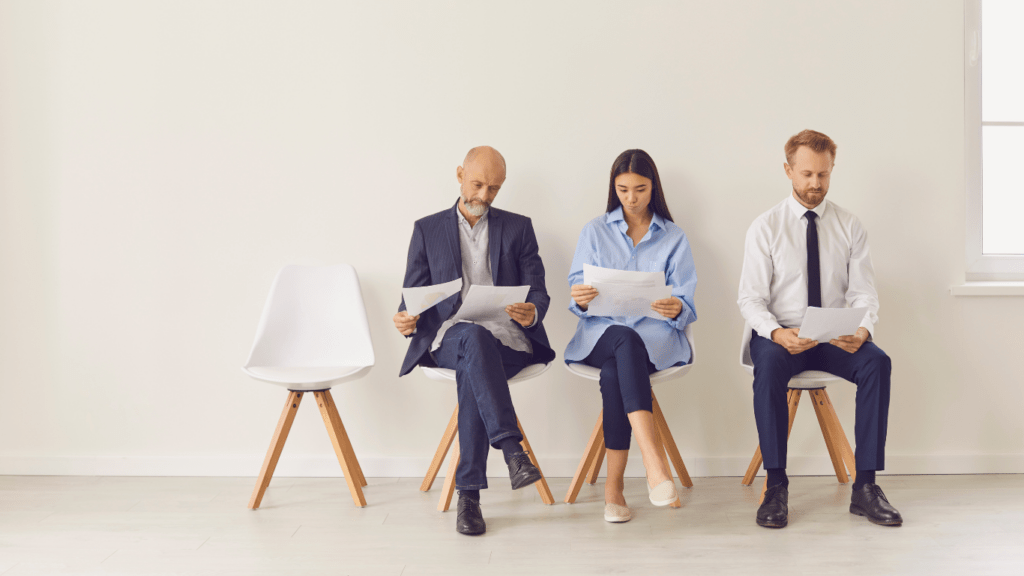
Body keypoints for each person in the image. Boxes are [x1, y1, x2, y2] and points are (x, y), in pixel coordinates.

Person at [737, 129, 902, 528]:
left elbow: (864, 293)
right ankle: (776, 486)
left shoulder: (849, 225)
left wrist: (862, 329)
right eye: (807, 174)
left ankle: (865, 487)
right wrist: (776, 333)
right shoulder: (766, 227)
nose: (815, 184)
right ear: (788, 170)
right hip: (782, 335)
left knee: (877, 363)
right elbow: (750, 299)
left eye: (823, 175)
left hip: (831, 334)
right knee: (771, 368)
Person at [394, 146, 556, 536]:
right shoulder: (427, 229)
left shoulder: (518, 227)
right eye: (478, 184)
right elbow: (411, 298)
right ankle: (512, 451)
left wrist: (532, 311)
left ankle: (469, 495)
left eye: (494, 189)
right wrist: (405, 318)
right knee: (470, 337)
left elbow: (539, 291)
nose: (484, 195)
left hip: (506, 340)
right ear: (459, 175)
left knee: (476, 356)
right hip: (450, 338)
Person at [565, 149, 697, 523]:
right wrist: (582, 298)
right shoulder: (594, 231)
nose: (631, 198)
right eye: (623, 189)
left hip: (654, 341)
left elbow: (686, 302)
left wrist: (677, 309)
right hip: (599, 336)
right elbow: (577, 295)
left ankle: (614, 488)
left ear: (653, 187)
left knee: (614, 374)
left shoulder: (674, 237)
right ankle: (654, 464)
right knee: (622, 336)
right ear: (614, 188)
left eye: (640, 189)